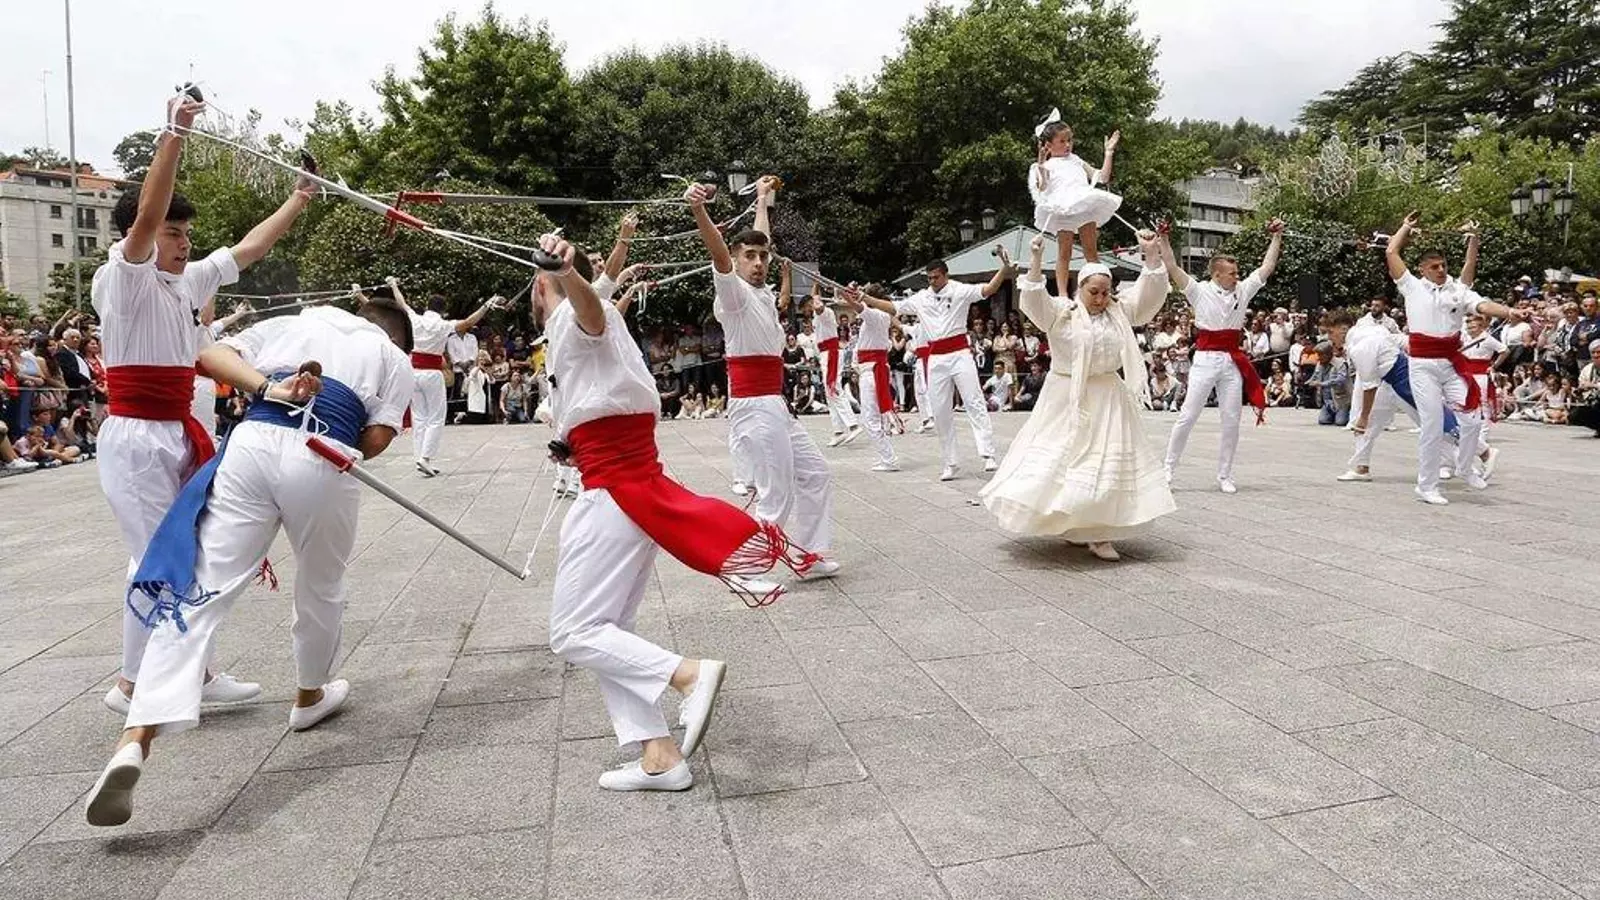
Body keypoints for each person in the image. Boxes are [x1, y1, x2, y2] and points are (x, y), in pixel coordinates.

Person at [83, 291, 414, 828]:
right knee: (321, 584)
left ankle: (135, 737)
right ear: (396, 335)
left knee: (199, 594)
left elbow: (210, 354)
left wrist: (267, 389)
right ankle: (308, 695)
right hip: (324, 453)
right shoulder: (392, 356)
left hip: (253, 441)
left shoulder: (295, 321)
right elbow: (376, 438)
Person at [533, 233, 812, 793]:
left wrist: (565, 273)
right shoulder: (579, 319)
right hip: (623, 484)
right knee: (608, 630)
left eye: (539, 282)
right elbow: (600, 311)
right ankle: (659, 755)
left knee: (574, 631)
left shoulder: (570, 314)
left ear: (545, 284)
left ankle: (686, 675)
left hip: (613, 490)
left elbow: (591, 312)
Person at [94, 91, 315, 716]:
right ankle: (138, 686)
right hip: (136, 438)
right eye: (174, 232)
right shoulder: (122, 278)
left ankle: (176, 673)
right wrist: (174, 134)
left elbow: (247, 251)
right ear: (140, 235)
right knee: (161, 555)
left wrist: (300, 197)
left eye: (187, 233)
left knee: (182, 549)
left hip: (177, 428)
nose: (184, 242)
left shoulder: (187, 283)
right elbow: (145, 215)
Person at [980, 231, 1174, 561]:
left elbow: (1149, 295)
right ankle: (1073, 524)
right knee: (1063, 458)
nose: (1100, 298)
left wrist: (1151, 255)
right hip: (1065, 395)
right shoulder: (1063, 311)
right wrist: (1036, 261)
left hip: (1108, 395)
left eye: (1105, 292)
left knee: (1104, 461)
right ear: (1080, 288)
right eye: (1093, 292)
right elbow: (1034, 302)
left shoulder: (1119, 311)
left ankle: (1099, 532)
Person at [687, 174, 838, 579]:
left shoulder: (762, 292)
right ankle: (744, 566)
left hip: (775, 403)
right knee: (775, 492)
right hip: (754, 405)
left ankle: (809, 555)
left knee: (816, 473)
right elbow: (720, 256)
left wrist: (762, 198)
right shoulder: (733, 295)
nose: (758, 262)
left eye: (762, 257)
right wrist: (699, 210)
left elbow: (761, 237)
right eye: (749, 256)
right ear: (736, 260)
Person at [1385, 213, 1525, 505]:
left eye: (1443, 265)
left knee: (1472, 419)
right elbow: (1391, 251)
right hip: (1422, 366)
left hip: (1450, 364)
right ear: (1422, 269)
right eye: (1434, 266)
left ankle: (1464, 467)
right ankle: (1426, 486)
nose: (1440, 270)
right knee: (1433, 424)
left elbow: (1482, 304)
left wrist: (1509, 312)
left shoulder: (1458, 290)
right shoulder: (1411, 286)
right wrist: (1406, 227)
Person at [1159, 219, 1286, 494]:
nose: (1237, 276)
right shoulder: (1199, 290)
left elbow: (1266, 267)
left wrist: (1276, 237)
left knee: (1231, 420)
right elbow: (1172, 267)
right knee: (1188, 415)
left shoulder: (1243, 290)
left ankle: (1225, 474)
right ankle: (1168, 468)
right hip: (1206, 358)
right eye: (1232, 273)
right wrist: (1164, 238)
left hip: (1231, 360)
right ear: (1217, 274)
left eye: (1237, 272)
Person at [894, 259, 1010, 480]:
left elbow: (988, 289)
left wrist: (1004, 269)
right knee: (940, 411)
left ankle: (988, 453)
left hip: (960, 354)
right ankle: (950, 461)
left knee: (974, 401)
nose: (932, 281)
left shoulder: (960, 290)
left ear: (945, 275)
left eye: (936, 277)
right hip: (936, 359)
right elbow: (894, 307)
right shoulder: (921, 297)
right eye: (929, 278)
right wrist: (865, 299)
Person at [376, 281, 498, 476]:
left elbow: (401, 302)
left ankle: (419, 456)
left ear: (427, 306)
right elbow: (468, 322)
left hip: (413, 373)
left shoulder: (414, 319)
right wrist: (486, 306)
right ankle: (425, 458)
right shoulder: (443, 325)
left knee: (419, 417)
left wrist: (393, 285)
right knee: (436, 417)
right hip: (432, 373)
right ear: (443, 310)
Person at [1030, 112, 1122, 297]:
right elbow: (1042, 186)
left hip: (1084, 204)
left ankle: (1101, 290)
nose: (1068, 145)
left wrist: (1108, 153)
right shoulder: (1044, 166)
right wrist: (1041, 162)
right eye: (1062, 141)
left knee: (1091, 252)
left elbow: (1102, 177)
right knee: (1065, 253)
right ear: (1048, 145)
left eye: (1069, 140)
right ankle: (1063, 295)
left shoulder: (1076, 160)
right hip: (1063, 208)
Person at [838, 284, 901, 471]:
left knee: (870, 417)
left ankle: (888, 458)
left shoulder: (876, 316)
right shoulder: (880, 317)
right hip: (874, 369)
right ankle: (887, 456)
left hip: (872, 370)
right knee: (877, 416)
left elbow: (857, 306)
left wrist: (845, 294)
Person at [809, 285, 862, 446]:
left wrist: (817, 294)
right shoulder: (816, 316)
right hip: (825, 354)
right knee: (829, 393)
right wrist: (815, 283)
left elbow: (817, 305)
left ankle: (853, 425)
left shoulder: (826, 312)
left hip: (831, 354)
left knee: (834, 389)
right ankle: (838, 431)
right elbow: (814, 298)